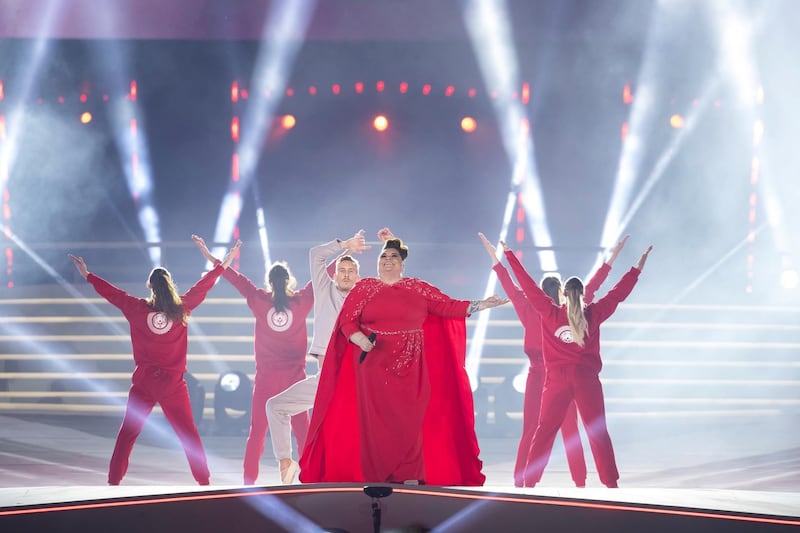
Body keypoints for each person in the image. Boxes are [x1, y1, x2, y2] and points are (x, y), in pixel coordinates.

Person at [299, 234, 508, 485]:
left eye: (393, 257)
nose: (388, 260)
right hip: (372, 365)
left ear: (402, 264)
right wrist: (359, 339)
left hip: (411, 365)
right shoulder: (364, 288)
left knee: (411, 419)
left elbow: (447, 306)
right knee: (374, 423)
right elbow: (347, 321)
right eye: (383, 256)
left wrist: (481, 304)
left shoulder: (418, 287)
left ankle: (410, 474)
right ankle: (375, 476)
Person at [68, 235, 240, 485]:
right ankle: (204, 482)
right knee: (189, 436)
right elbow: (205, 284)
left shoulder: (136, 309)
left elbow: (113, 294)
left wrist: (87, 275)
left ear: (149, 285)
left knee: (127, 434)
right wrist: (223, 263)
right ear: (169, 285)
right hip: (173, 385)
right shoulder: (182, 308)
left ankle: (113, 483)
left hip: (145, 384)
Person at [478, 233, 629, 487]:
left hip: (541, 377)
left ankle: (521, 481)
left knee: (533, 431)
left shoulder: (531, 306)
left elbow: (511, 283)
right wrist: (612, 259)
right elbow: (594, 286)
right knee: (570, 431)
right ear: (560, 291)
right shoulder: (567, 311)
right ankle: (579, 482)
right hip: (557, 376)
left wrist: (496, 257)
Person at [194, 237, 313, 486]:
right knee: (303, 434)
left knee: (257, 434)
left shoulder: (259, 299)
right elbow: (323, 276)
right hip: (295, 379)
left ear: (269, 282)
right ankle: (311, 480)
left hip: (266, 380)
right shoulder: (302, 301)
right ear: (289, 281)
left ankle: (248, 485)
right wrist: (345, 247)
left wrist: (212, 257)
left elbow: (234, 278)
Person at [265, 229, 368, 484]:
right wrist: (345, 247)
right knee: (275, 406)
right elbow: (315, 255)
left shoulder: (365, 299)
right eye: (342, 270)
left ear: (358, 276)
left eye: (350, 271)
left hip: (354, 381)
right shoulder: (325, 290)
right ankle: (286, 463)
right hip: (325, 380)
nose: (345, 274)